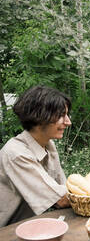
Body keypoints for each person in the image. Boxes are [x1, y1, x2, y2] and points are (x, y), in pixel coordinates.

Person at [0, 86, 72, 227]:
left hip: (32, 225)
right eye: (61, 115)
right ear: (40, 117)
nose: (68, 122)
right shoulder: (15, 153)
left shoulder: (49, 145)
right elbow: (61, 199)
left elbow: (63, 188)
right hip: (8, 231)